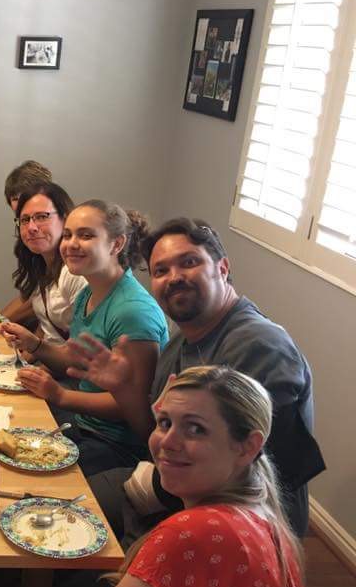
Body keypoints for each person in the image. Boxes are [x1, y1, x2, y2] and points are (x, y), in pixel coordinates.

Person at [0, 366, 306, 587]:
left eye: (195, 429)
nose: (168, 442)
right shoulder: (264, 516)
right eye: (165, 423)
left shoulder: (195, 535)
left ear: (247, 446)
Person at [67, 218, 324, 538]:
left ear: (222, 268)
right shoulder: (181, 343)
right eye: (161, 271)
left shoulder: (260, 347)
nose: (174, 277)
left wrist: (146, 495)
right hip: (176, 484)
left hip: (237, 524)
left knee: (69, 516)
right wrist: (125, 391)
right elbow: (155, 433)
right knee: (58, 507)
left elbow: (251, 474)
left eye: (189, 262)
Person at [0, 200, 169, 474]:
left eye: (86, 235)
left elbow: (132, 406)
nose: (71, 244)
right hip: (84, 423)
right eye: (67, 235)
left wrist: (60, 395)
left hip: (116, 444)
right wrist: (36, 344)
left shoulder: (132, 313)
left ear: (116, 244)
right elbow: (73, 358)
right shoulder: (89, 292)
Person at [0, 181, 85, 348]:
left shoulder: (74, 272)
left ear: (65, 219)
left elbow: (83, 350)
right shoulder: (43, 264)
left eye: (41, 217)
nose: (31, 227)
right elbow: (47, 331)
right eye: (25, 219)